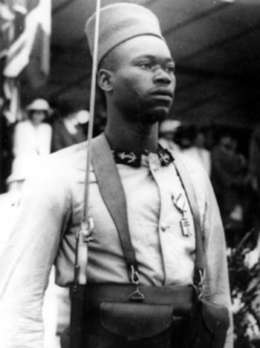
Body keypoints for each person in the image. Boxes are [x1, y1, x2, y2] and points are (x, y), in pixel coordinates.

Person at [0, 3, 233, 348]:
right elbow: (18, 306)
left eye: (169, 67)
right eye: (145, 65)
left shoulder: (193, 176)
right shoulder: (60, 173)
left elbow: (218, 296)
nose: (164, 76)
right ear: (105, 79)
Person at [6, 98, 52, 192]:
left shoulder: (46, 128)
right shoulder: (21, 126)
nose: (39, 116)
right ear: (32, 113)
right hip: (23, 164)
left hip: (40, 165)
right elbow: (17, 149)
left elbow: (45, 150)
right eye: (37, 113)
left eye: (42, 113)